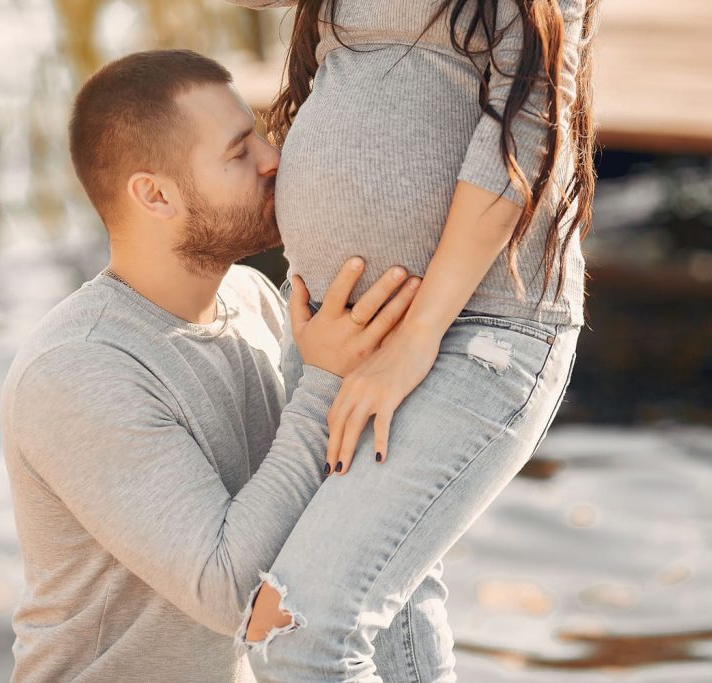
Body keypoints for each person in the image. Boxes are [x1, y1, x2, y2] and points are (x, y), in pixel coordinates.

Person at [0, 49, 448, 682]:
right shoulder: (77, 369)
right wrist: (325, 380)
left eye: (260, 134)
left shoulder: (254, 297)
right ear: (154, 195)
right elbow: (232, 593)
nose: (273, 160)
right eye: (240, 153)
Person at [228, 1, 600, 680]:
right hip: (336, 327)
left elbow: (527, 122)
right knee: (390, 610)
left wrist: (417, 336)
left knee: (301, 633)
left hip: (477, 323)